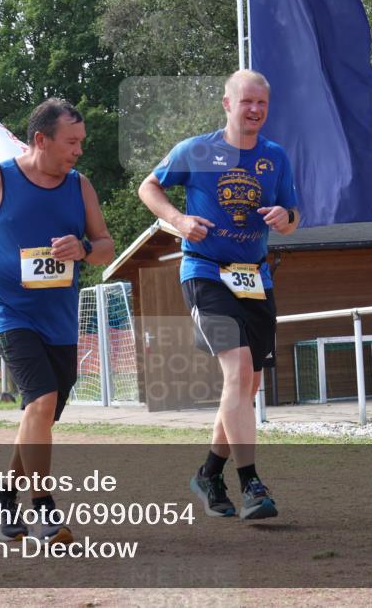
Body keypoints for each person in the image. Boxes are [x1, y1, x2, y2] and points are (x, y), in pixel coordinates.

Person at [0, 98, 115, 544]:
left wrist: (83, 249)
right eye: (71, 142)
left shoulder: (81, 187)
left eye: (82, 142)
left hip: (59, 318)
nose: (79, 150)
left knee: (41, 417)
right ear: (41, 139)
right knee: (40, 403)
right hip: (9, 311)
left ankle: (3, 496)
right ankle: (44, 511)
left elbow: (105, 246)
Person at [138, 69, 299, 521]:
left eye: (261, 104)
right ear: (227, 104)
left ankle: (210, 473)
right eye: (246, 102)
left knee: (249, 384)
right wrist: (178, 220)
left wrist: (284, 218)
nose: (254, 110)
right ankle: (251, 484)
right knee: (239, 369)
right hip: (205, 271)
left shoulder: (275, 158)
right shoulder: (198, 150)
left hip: (256, 277)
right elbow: (148, 186)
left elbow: (294, 213)